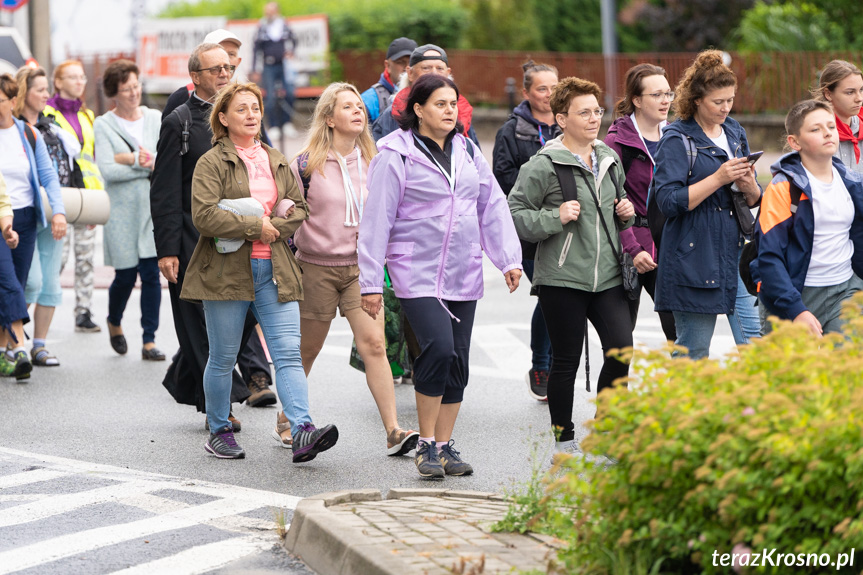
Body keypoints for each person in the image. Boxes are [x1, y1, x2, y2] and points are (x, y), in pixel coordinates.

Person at [359, 74, 523, 478]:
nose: (450, 111)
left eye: (453, 104)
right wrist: (369, 282)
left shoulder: (467, 149)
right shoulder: (393, 154)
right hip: (414, 269)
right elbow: (376, 220)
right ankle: (426, 445)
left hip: (462, 269)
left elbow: (491, 204)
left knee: (459, 358)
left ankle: (446, 445)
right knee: (438, 347)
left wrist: (508, 259)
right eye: (440, 104)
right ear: (418, 109)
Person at [181, 82, 339, 461]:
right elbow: (204, 215)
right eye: (241, 109)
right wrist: (257, 226)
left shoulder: (276, 158)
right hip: (227, 270)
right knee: (223, 355)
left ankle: (301, 428)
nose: (251, 115)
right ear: (223, 118)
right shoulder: (211, 162)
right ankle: (219, 429)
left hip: (276, 268)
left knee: (286, 352)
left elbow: (299, 209)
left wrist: (274, 227)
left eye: (255, 108)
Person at [288, 82, 419, 455]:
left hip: (362, 270)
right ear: (329, 118)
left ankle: (394, 431)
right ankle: (288, 418)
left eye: (359, 107)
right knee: (308, 349)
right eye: (347, 107)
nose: (358, 111)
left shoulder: (376, 160)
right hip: (315, 268)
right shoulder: (305, 163)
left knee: (375, 345)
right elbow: (288, 211)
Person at [508, 77, 636, 455]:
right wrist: (554, 217)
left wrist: (625, 213)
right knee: (565, 361)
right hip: (562, 277)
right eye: (584, 112)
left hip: (609, 274)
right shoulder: (544, 165)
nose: (594, 118)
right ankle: (564, 442)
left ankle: (609, 433)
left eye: (597, 111)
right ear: (562, 119)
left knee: (620, 349)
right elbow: (514, 213)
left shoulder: (609, 158)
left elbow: (618, 205)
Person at [151, 43, 276, 429]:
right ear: (196, 77)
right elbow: (166, 190)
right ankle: (216, 408)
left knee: (237, 323)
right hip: (193, 237)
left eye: (228, 67)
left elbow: (268, 169)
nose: (225, 73)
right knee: (196, 323)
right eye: (215, 69)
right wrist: (168, 249)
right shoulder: (180, 121)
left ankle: (187, 379)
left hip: (243, 240)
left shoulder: (244, 114)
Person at [652, 50, 762, 360]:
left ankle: (760, 408)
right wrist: (718, 178)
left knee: (755, 343)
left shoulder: (734, 131)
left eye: (730, 100)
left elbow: (754, 199)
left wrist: (748, 184)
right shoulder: (676, 138)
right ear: (697, 99)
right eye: (718, 102)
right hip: (694, 256)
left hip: (737, 251)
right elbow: (668, 201)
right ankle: (684, 410)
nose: (726, 108)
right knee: (693, 350)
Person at [753, 99, 863, 335]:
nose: (827, 134)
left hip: (845, 291)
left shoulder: (853, 183)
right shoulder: (783, 188)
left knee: (844, 369)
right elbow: (769, 257)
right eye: (816, 129)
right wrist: (796, 310)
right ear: (795, 142)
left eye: (831, 127)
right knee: (791, 371)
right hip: (791, 296)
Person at [492, 60, 560, 402]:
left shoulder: (569, 123)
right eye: (541, 89)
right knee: (548, 294)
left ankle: (557, 363)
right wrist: (541, 185)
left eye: (554, 88)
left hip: (566, 225)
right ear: (527, 92)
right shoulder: (511, 131)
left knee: (561, 294)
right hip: (529, 230)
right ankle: (541, 365)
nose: (549, 95)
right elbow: (503, 180)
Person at [94, 60, 165, 361]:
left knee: (151, 274)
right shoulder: (103, 124)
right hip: (121, 212)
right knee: (124, 275)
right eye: (126, 89)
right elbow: (108, 170)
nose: (134, 93)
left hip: (152, 208)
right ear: (114, 93)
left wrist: (130, 159)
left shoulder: (155, 118)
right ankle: (114, 320)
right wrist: (142, 161)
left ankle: (149, 339)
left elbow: (163, 161)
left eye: (136, 86)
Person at [604, 63, 677, 343]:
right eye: (657, 94)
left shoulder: (676, 136)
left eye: (668, 93)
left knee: (679, 337)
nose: (665, 100)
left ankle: (680, 388)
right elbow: (609, 205)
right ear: (637, 100)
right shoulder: (617, 143)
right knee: (620, 343)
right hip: (631, 247)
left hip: (670, 245)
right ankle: (616, 388)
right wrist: (633, 249)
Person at [0, 74, 66, 381]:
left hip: (25, 217)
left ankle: (3, 351)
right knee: (10, 282)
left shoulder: (27, 133)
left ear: (13, 102)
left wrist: (59, 213)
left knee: (21, 282)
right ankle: (20, 346)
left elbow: (48, 176)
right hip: (1, 218)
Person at [15, 66, 78, 367]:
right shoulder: (11, 128)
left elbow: (56, 174)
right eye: (39, 89)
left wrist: (62, 212)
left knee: (51, 283)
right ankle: (11, 339)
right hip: (22, 214)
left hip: (53, 211)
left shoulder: (50, 128)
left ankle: (38, 345)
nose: (45, 95)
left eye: (45, 89)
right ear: (22, 91)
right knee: (31, 282)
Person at [44, 60, 103, 333]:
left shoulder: (86, 115)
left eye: (82, 77)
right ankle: (45, 304)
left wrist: (96, 192)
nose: (80, 81)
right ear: (58, 82)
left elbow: (90, 157)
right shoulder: (46, 113)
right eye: (73, 77)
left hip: (86, 192)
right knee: (60, 255)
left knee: (86, 255)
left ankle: (83, 311)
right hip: (60, 191)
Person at [371, 44, 480, 147]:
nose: (434, 74)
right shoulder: (394, 114)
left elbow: (475, 162)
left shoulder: (461, 111)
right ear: (410, 73)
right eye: (426, 68)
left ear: (448, 73)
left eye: (440, 68)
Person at [162, 29, 244, 120]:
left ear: (238, 62)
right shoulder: (181, 98)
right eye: (217, 53)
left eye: (231, 54)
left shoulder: (247, 99)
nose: (225, 59)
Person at [251, 2, 299, 139]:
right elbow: (255, 49)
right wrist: (254, 68)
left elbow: (294, 39)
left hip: (283, 65)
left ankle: (287, 123)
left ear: (276, 11)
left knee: (289, 92)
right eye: (267, 11)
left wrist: (291, 51)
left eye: (271, 11)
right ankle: (273, 126)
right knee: (270, 97)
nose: (269, 14)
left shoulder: (284, 25)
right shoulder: (262, 27)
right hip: (268, 66)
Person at [813, 60, 863, 175]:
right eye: (850, 92)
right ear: (828, 94)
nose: (859, 98)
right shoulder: (813, 133)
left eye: (861, 90)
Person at [360, 37, 416, 124]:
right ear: (388, 65)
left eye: (412, 62)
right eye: (400, 62)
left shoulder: (427, 95)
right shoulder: (369, 100)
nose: (407, 67)